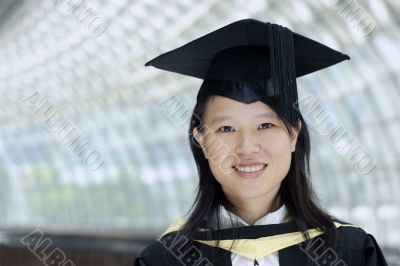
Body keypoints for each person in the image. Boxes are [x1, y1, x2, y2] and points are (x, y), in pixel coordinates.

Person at [134, 19, 388, 266]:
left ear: (293, 133)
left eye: (266, 125)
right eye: (226, 128)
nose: (246, 147)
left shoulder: (351, 253)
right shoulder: (165, 259)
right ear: (200, 138)